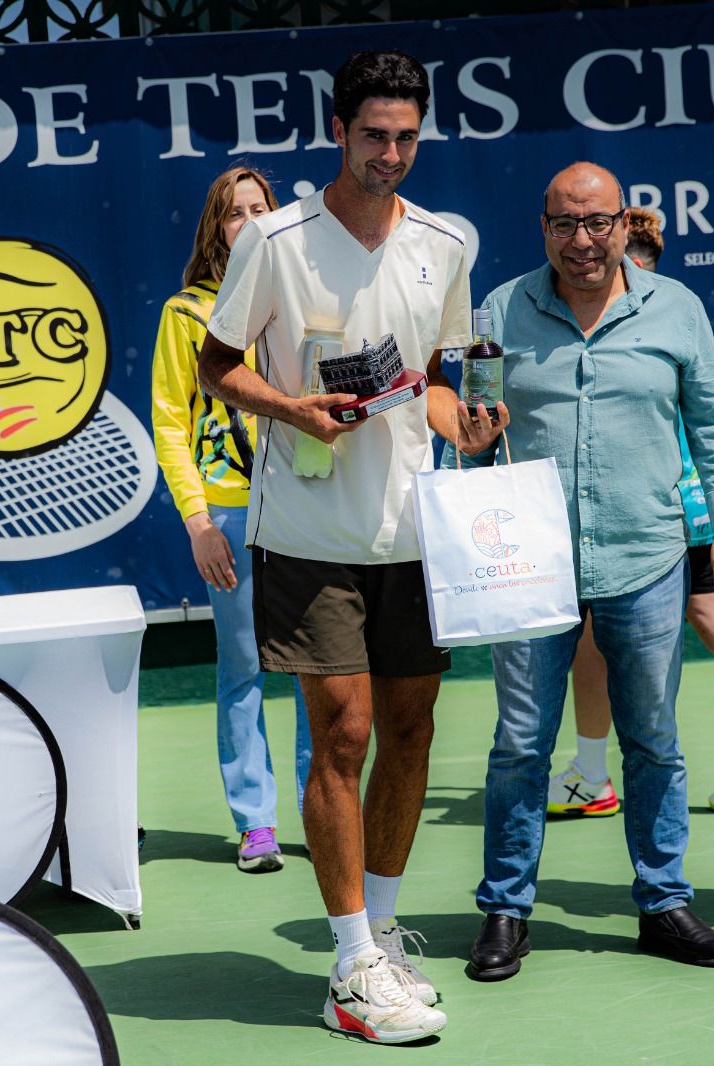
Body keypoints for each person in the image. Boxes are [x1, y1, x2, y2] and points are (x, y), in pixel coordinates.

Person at [198, 50, 471, 1044]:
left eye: (405, 136)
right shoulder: (273, 240)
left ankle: (384, 930)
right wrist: (293, 411)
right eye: (373, 135)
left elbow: (438, 381)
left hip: (414, 533)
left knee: (410, 730)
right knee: (343, 732)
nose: (390, 153)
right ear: (339, 130)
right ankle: (351, 963)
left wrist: (460, 422)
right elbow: (216, 366)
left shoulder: (446, 242)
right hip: (307, 531)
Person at [442, 162, 714, 982]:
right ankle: (505, 910)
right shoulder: (499, 311)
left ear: (624, 224)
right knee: (519, 745)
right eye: (565, 224)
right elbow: (466, 434)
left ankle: (663, 904)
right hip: (527, 567)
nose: (582, 241)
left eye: (598, 223)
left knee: (653, 738)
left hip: (645, 553)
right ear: (543, 226)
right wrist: (471, 440)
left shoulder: (676, 308)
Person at [548, 207, 714, 822]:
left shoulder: (659, 312)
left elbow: (708, 417)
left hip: (671, 512)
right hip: (684, 508)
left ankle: (591, 774)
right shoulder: (665, 308)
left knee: (593, 639)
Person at [152, 165, 313, 875]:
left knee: (321, 665)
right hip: (230, 510)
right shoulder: (186, 314)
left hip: (309, 501)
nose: (248, 221)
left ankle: (323, 806)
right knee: (243, 666)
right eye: (234, 212)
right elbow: (169, 423)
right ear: (215, 228)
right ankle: (256, 823)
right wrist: (198, 523)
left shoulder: (299, 299)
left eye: (260, 208)